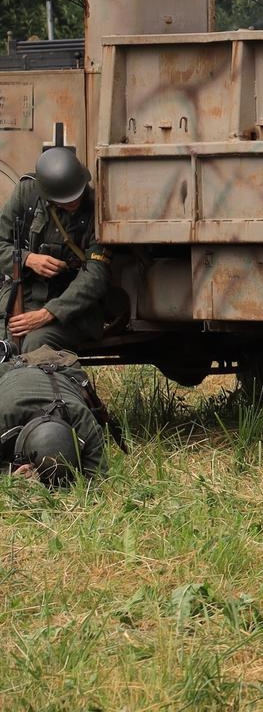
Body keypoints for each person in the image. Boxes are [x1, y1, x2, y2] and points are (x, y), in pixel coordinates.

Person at [1, 147, 115, 356]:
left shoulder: (97, 206)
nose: (74, 202)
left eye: (76, 195)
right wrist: (28, 259)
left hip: (73, 309)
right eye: (66, 200)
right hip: (25, 297)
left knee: (35, 345)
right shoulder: (27, 194)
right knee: (7, 345)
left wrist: (48, 313)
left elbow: (96, 275)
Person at [0, 346, 110, 485]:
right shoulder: (3, 420)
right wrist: (12, 475)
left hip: (57, 367)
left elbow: (99, 479)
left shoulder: (83, 422)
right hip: (10, 371)